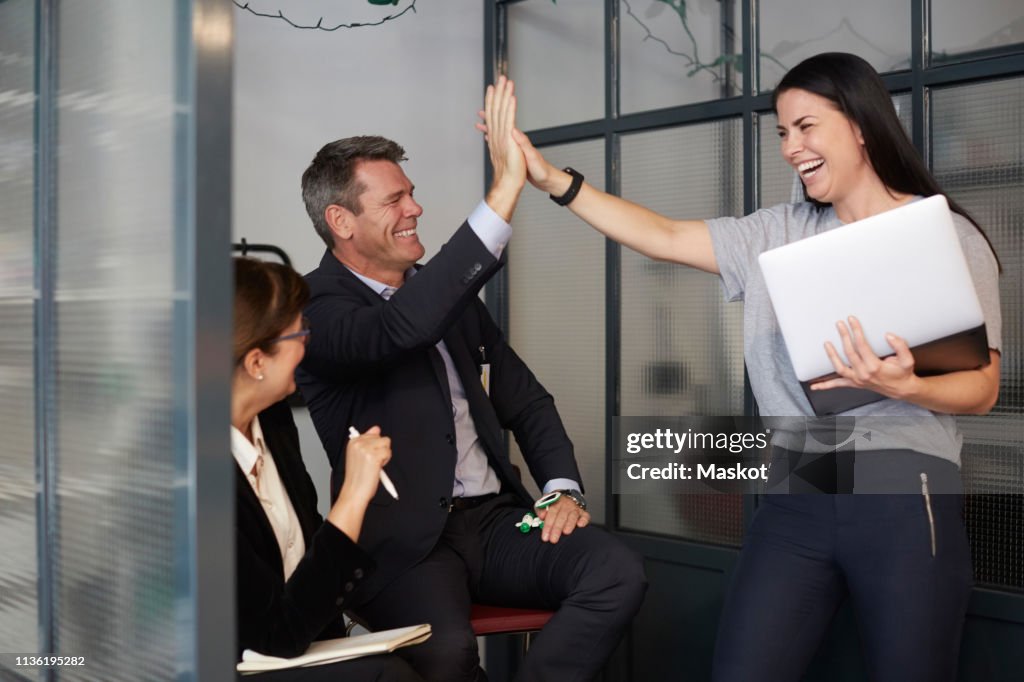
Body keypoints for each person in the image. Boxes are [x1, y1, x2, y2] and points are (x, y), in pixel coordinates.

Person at [488, 53, 1002, 682]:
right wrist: (552, 181)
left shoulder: (947, 237)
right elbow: (664, 235)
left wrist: (904, 385)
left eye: (807, 127)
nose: (792, 147)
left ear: (862, 125)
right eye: (783, 132)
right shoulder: (776, 234)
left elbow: (982, 390)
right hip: (797, 490)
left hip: (904, 489)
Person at [294, 77, 647, 682]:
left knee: (617, 572)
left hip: (494, 521)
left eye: (413, 193)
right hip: (405, 547)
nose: (415, 209)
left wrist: (561, 488)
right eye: (394, 200)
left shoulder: (441, 295)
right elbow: (397, 331)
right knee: (449, 654)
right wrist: (506, 190)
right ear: (340, 221)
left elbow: (526, 400)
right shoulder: (315, 308)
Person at [231, 257, 424, 681]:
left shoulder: (274, 420)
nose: (308, 344)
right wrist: (354, 494)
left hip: (304, 640)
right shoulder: (199, 475)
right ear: (257, 362)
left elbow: (303, 564)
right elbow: (274, 638)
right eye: (300, 333)